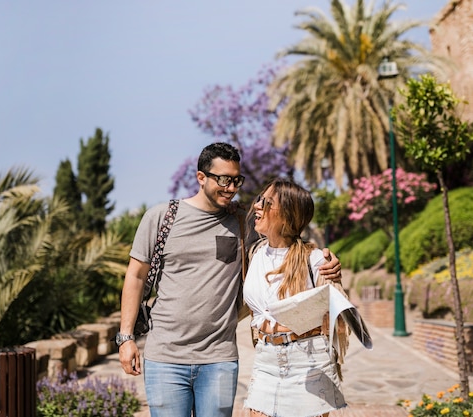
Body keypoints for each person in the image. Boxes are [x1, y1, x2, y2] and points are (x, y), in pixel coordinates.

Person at [118, 142, 341, 417]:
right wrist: (126, 338)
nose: (232, 188)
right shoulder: (162, 218)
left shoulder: (242, 221)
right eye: (224, 180)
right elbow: (136, 275)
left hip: (219, 358)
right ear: (201, 177)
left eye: (237, 180)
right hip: (164, 357)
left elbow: (285, 235)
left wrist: (324, 259)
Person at [242, 178, 348, 417]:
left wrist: (335, 280)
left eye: (267, 202)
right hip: (266, 358)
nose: (257, 205)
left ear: (287, 215)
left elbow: (340, 320)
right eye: (259, 199)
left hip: (307, 362)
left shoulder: (315, 259)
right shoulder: (255, 253)